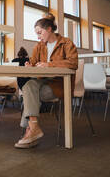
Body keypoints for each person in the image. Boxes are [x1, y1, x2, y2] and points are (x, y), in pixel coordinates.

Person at [14, 13, 78, 148]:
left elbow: (73, 63)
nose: (38, 37)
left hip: (59, 85)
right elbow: (32, 62)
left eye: (40, 32)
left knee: (29, 93)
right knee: (29, 85)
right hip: (42, 81)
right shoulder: (39, 46)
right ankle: (33, 127)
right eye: (36, 34)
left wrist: (50, 64)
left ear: (49, 29)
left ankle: (30, 131)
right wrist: (29, 65)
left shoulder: (66, 43)